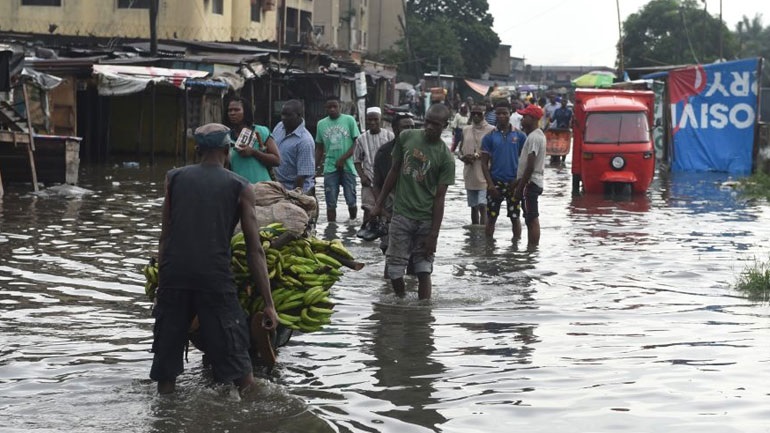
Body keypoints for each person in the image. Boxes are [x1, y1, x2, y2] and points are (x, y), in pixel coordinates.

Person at [151, 123, 279, 395]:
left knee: (166, 371)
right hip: (215, 279)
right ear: (226, 149)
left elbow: (165, 238)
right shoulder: (241, 186)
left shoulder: (173, 178)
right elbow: (254, 249)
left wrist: (163, 287)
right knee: (242, 372)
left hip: (175, 277)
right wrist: (269, 304)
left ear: (197, 150)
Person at [371, 104, 455, 300]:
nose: (430, 127)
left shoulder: (446, 158)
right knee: (394, 269)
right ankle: (401, 302)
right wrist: (378, 205)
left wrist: (434, 234)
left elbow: (440, 199)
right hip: (401, 215)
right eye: (427, 122)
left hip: (426, 219)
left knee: (423, 269)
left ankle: (423, 315)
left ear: (445, 125)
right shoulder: (407, 137)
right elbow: (393, 172)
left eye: (436, 124)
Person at [481, 101, 528, 240]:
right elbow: (483, 163)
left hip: (514, 183)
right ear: (495, 115)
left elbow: (525, 161)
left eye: (505, 113)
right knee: (491, 218)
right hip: (495, 183)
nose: (502, 116)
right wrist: (489, 184)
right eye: (499, 113)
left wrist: (519, 181)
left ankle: (515, 251)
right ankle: (488, 251)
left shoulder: (520, 136)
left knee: (515, 218)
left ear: (510, 113)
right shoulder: (489, 137)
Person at [372, 112, 415, 255]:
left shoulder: (421, 151)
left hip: (415, 208)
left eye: (412, 127)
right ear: (395, 130)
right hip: (391, 207)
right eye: (405, 127)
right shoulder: (384, 153)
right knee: (390, 253)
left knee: (414, 254)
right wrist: (380, 208)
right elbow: (377, 184)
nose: (410, 130)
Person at [315, 96, 361, 222]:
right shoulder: (321, 124)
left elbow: (357, 143)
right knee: (330, 202)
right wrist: (313, 169)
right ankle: (331, 230)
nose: (332, 109)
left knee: (351, 200)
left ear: (340, 106)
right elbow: (319, 148)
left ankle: (352, 225)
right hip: (330, 167)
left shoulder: (349, 120)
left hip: (348, 166)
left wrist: (343, 158)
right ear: (326, 108)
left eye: (335, 106)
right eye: (329, 107)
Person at [223, 97, 281, 183]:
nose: (232, 113)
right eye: (230, 110)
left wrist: (254, 152)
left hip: (263, 188)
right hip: (240, 189)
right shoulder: (226, 137)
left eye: (237, 110)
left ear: (246, 112)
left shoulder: (261, 131)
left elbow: (277, 160)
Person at [514, 104, 547, 249]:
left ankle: (532, 249)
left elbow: (530, 165)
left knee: (531, 218)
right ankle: (531, 249)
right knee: (530, 217)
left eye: (524, 117)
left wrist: (520, 188)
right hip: (532, 182)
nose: (521, 119)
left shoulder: (534, 137)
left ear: (532, 119)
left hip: (530, 183)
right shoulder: (536, 135)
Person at [354, 107, 394, 224]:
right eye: (369, 120)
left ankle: (384, 236)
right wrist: (362, 177)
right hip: (369, 180)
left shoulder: (389, 136)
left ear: (380, 120)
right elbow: (357, 161)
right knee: (368, 209)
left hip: (386, 180)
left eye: (375, 119)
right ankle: (367, 235)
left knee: (386, 210)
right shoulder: (361, 139)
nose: (372, 122)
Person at [457, 104, 494, 225]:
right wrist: (463, 157)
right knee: (473, 207)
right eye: (473, 113)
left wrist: (476, 156)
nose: (476, 116)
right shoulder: (466, 129)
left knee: (483, 205)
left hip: (484, 173)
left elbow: (494, 150)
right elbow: (459, 149)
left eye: (479, 113)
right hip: (470, 172)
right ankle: (474, 237)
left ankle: (484, 236)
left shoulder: (491, 130)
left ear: (484, 114)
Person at [272, 100, 316, 194]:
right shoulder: (279, 127)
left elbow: (302, 176)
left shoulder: (305, 141)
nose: (284, 118)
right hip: (278, 186)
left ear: (299, 115)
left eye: (288, 115)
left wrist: (293, 197)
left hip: (299, 190)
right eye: (282, 114)